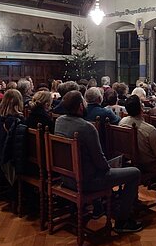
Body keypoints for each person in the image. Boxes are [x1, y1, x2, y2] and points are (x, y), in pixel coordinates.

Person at [54, 90, 143, 233]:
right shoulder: (87, 127)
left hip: (67, 178)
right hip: (88, 180)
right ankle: (122, 220)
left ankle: (102, 207)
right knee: (135, 173)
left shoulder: (59, 121)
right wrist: (110, 165)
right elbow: (100, 163)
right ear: (80, 107)